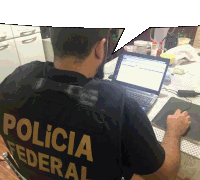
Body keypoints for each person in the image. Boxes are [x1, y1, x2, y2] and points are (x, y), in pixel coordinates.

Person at [0, 27, 191, 180]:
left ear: (52, 42)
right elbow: (165, 175)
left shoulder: (13, 80)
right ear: (100, 48)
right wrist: (173, 130)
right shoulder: (119, 105)